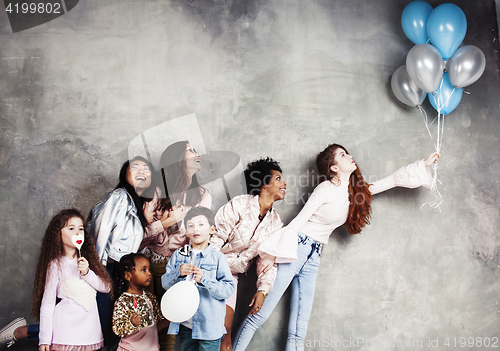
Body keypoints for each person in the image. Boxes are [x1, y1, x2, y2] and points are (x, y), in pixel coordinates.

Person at [233, 145, 440, 351]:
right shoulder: (324, 189)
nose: (350, 156)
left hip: (313, 257)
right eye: (342, 155)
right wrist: (270, 255)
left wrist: (423, 164)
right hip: (295, 249)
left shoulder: (354, 193)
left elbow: (392, 181)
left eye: (347, 153)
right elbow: (297, 222)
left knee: (298, 331)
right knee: (257, 317)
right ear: (333, 168)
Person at [141, 141, 212, 351]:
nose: (198, 153)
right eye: (191, 149)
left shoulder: (201, 196)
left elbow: (197, 238)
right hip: (144, 262)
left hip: (175, 266)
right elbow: (138, 237)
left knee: (168, 329)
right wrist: (165, 223)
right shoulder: (155, 191)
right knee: (140, 324)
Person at [210, 158, 286, 351]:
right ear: (263, 183)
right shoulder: (239, 205)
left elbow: (268, 262)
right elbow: (215, 238)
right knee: (199, 334)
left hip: (230, 280)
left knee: (224, 337)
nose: (284, 183)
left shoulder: (276, 224)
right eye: (278, 179)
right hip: (209, 272)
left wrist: (263, 290)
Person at [87, 155, 157, 348]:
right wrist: (99, 271)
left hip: (121, 272)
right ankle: (23, 331)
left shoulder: (136, 204)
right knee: (98, 327)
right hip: (107, 268)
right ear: (123, 174)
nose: (142, 171)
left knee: (114, 329)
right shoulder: (119, 197)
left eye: (146, 169)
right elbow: (99, 233)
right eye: (135, 168)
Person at [34, 208, 113, 351]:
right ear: (58, 234)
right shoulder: (55, 265)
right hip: (65, 332)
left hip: (90, 332)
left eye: (81, 229)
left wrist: (87, 272)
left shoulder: (89, 262)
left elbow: (105, 287)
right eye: (71, 228)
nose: (78, 232)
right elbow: (48, 304)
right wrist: (44, 339)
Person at [162, 207, 234, 351]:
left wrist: (205, 279)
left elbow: (228, 290)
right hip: (184, 325)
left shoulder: (218, 258)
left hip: (209, 327)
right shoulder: (178, 255)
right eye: (191, 226)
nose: (196, 229)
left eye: (201, 224)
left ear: (212, 229)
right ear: (187, 231)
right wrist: (178, 272)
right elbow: (165, 283)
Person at [112, 253, 169, 351]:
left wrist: (171, 318)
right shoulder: (123, 301)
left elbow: (155, 325)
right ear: (127, 275)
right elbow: (118, 329)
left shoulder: (150, 297)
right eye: (143, 270)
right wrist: (131, 323)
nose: (149, 273)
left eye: (149, 270)